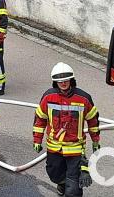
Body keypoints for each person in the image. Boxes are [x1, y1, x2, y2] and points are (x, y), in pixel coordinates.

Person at [33, 63, 100, 197]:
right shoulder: (48, 97)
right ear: (55, 82)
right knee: (54, 173)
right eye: (60, 81)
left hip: (75, 147)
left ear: (71, 80)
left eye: (66, 80)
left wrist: (95, 140)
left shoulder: (84, 98)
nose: (63, 83)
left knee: (74, 188)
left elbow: (93, 121)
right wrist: (37, 140)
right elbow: (40, 119)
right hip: (54, 146)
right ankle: (62, 183)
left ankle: (71, 185)